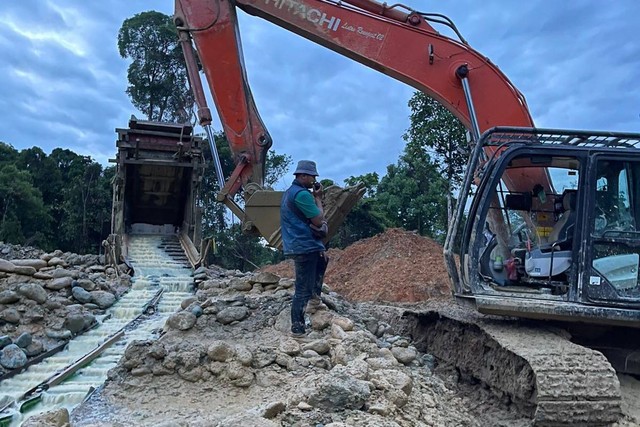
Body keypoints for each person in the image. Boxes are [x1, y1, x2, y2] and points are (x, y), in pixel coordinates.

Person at [280, 160, 329, 337]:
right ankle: (298, 329)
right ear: (302, 176)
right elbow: (318, 219)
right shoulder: (302, 195)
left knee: (323, 260)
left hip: (300, 243)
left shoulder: (288, 193)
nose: (313, 180)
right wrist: (318, 198)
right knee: (302, 288)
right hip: (303, 245)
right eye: (312, 177)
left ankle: (315, 300)